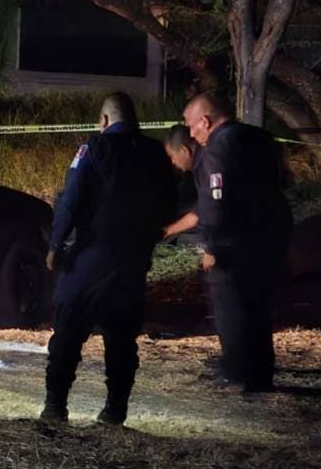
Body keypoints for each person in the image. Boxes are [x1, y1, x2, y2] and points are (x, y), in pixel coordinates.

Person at [41, 92, 177, 426]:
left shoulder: (94, 149)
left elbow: (71, 199)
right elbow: (170, 204)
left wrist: (55, 244)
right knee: (122, 339)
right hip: (131, 263)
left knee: (68, 331)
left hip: (92, 255)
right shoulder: (155, 153)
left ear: (104, 121)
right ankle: (114, 411)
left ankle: (55, 408)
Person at [182, 93, 292, 392]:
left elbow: (215, 198)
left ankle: (236, 370)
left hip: (234, 241)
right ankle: (260, 374)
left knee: (230, 307)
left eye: (192, 126)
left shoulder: (219, 145)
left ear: (205, 121)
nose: (191, 133)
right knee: (259, 307)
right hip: (269, 236)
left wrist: (212, 245)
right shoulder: (260, 137)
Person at [163, 124, 201, 240]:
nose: (173, 162)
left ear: (184, 150)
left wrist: (170, 230)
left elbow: (205, 210)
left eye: (172, 156)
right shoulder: (199, 167)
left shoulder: (207, 165)